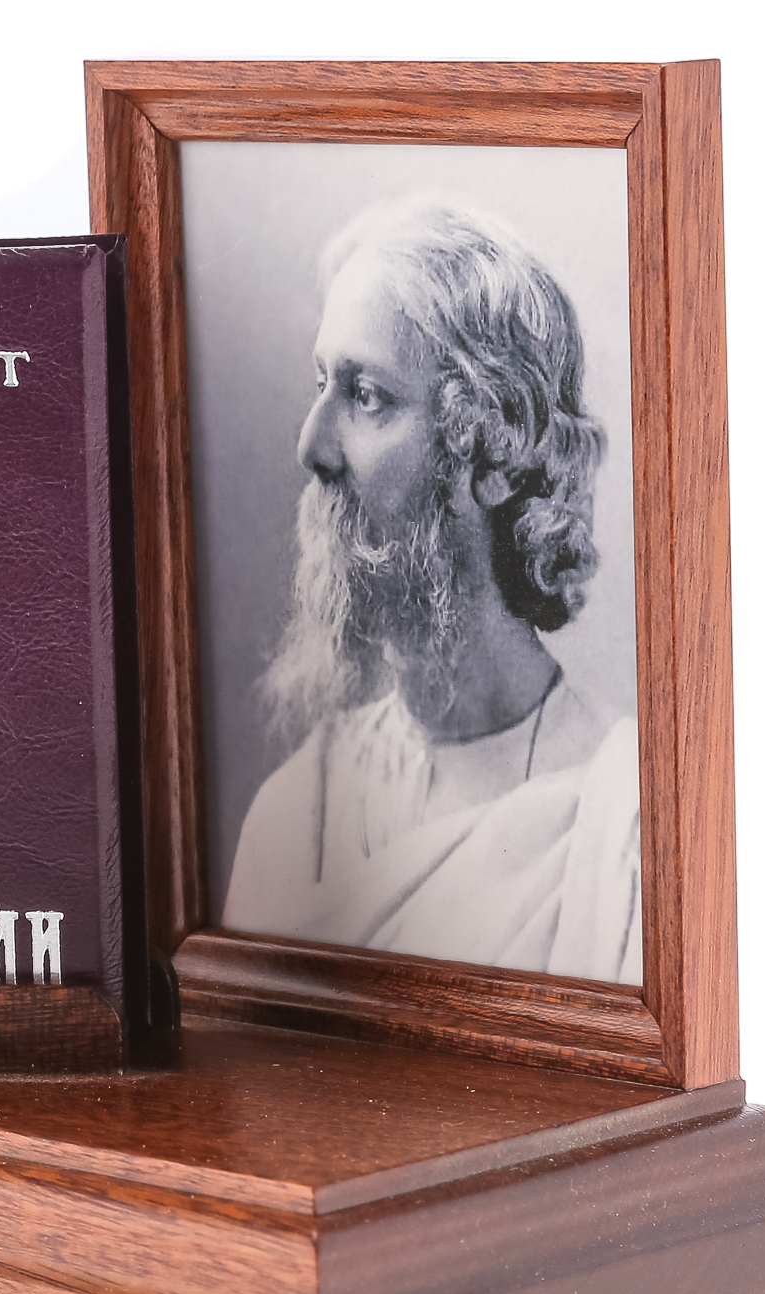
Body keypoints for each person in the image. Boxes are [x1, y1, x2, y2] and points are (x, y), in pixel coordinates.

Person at [223, 200, 642, 985]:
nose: (311, 446)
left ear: (494, 450)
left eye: (367, 395)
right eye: (321, 382)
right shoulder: (295, 815)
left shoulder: (622, 824)